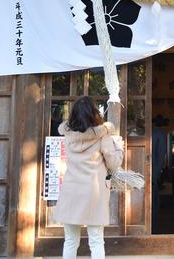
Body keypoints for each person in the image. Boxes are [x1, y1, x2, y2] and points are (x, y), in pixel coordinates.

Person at [53, 96, 125, 259]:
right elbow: (113, 164)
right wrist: (119, 148)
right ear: (94, 113)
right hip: (94, 192)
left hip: (71, 191)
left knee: (70, 241)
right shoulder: (102, 136)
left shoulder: (68, 135)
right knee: (96, 241)